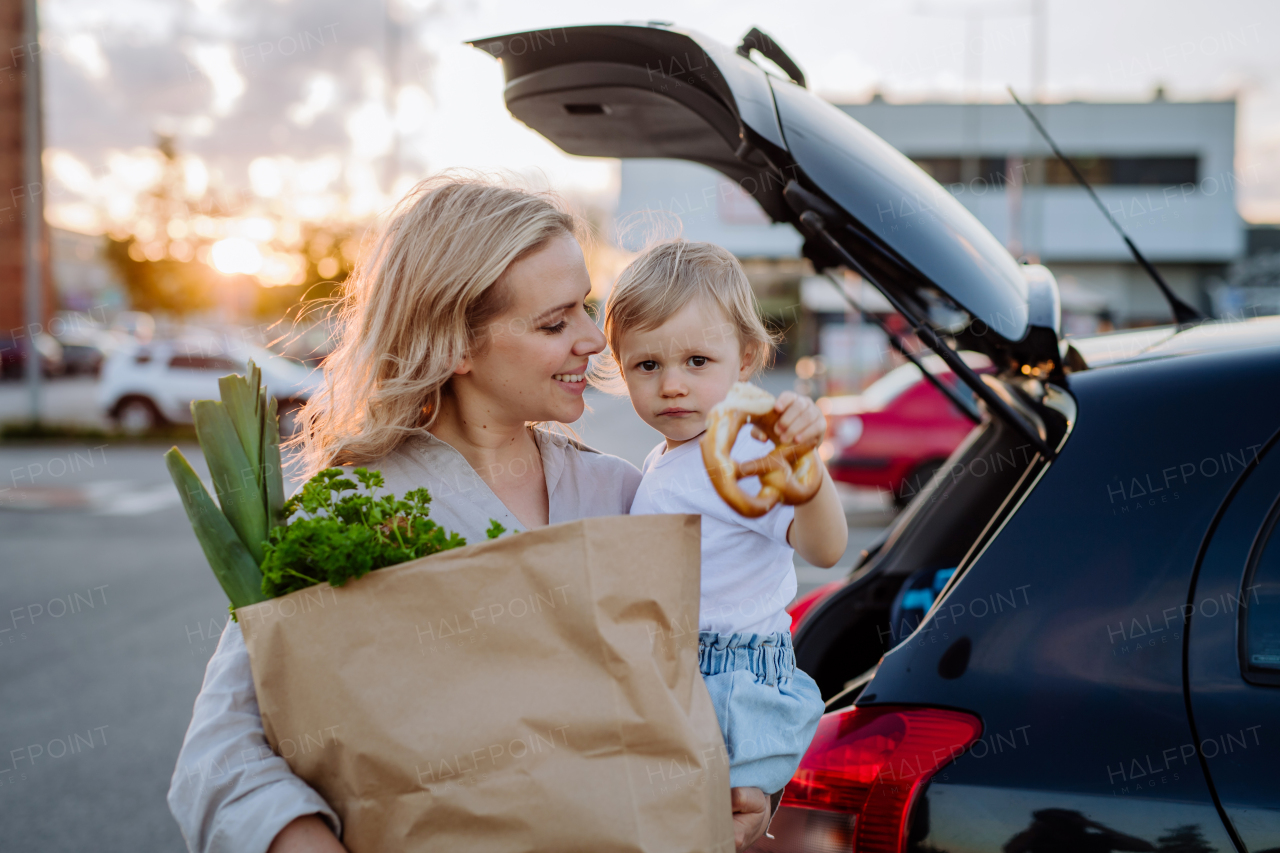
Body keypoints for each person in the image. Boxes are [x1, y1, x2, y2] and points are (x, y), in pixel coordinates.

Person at [167, 175, 774, 853]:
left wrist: (746, 780)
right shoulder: (350, 511)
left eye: (585, 307)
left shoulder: (625, 496)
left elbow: (723, 656)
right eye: (554, 322)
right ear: (454, 345)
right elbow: (219, 752)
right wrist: (296, 836)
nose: (593, 341)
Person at [597, 240, 847, 825]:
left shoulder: (747, 451)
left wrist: (809, 477)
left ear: (748, 358)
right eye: (647, 365)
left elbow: (825, 548)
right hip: (680, 665)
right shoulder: (668, 456)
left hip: (734, 675)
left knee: (725, 812)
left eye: (697, 362)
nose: (672, 385)